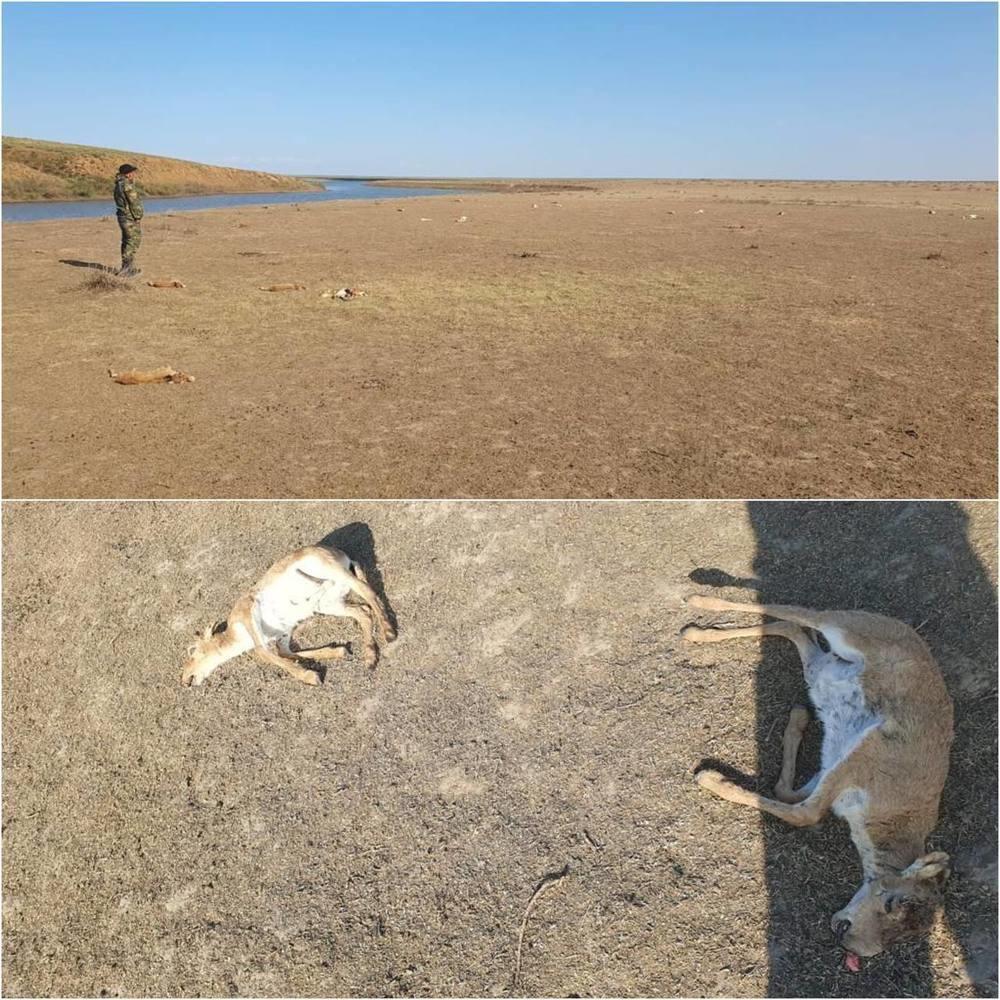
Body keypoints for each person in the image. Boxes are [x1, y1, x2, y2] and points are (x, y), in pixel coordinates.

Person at [113, 163, 144, 276]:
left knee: (127, 241)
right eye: (132, 172)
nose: (134, 174)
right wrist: (138, 216)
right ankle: (126, 270)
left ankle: (128, 268)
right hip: (129, 218)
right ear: (128, 173)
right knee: (133, 241)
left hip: (122, 216)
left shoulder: (118, 184)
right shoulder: (126, 185)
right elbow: (134, 202)